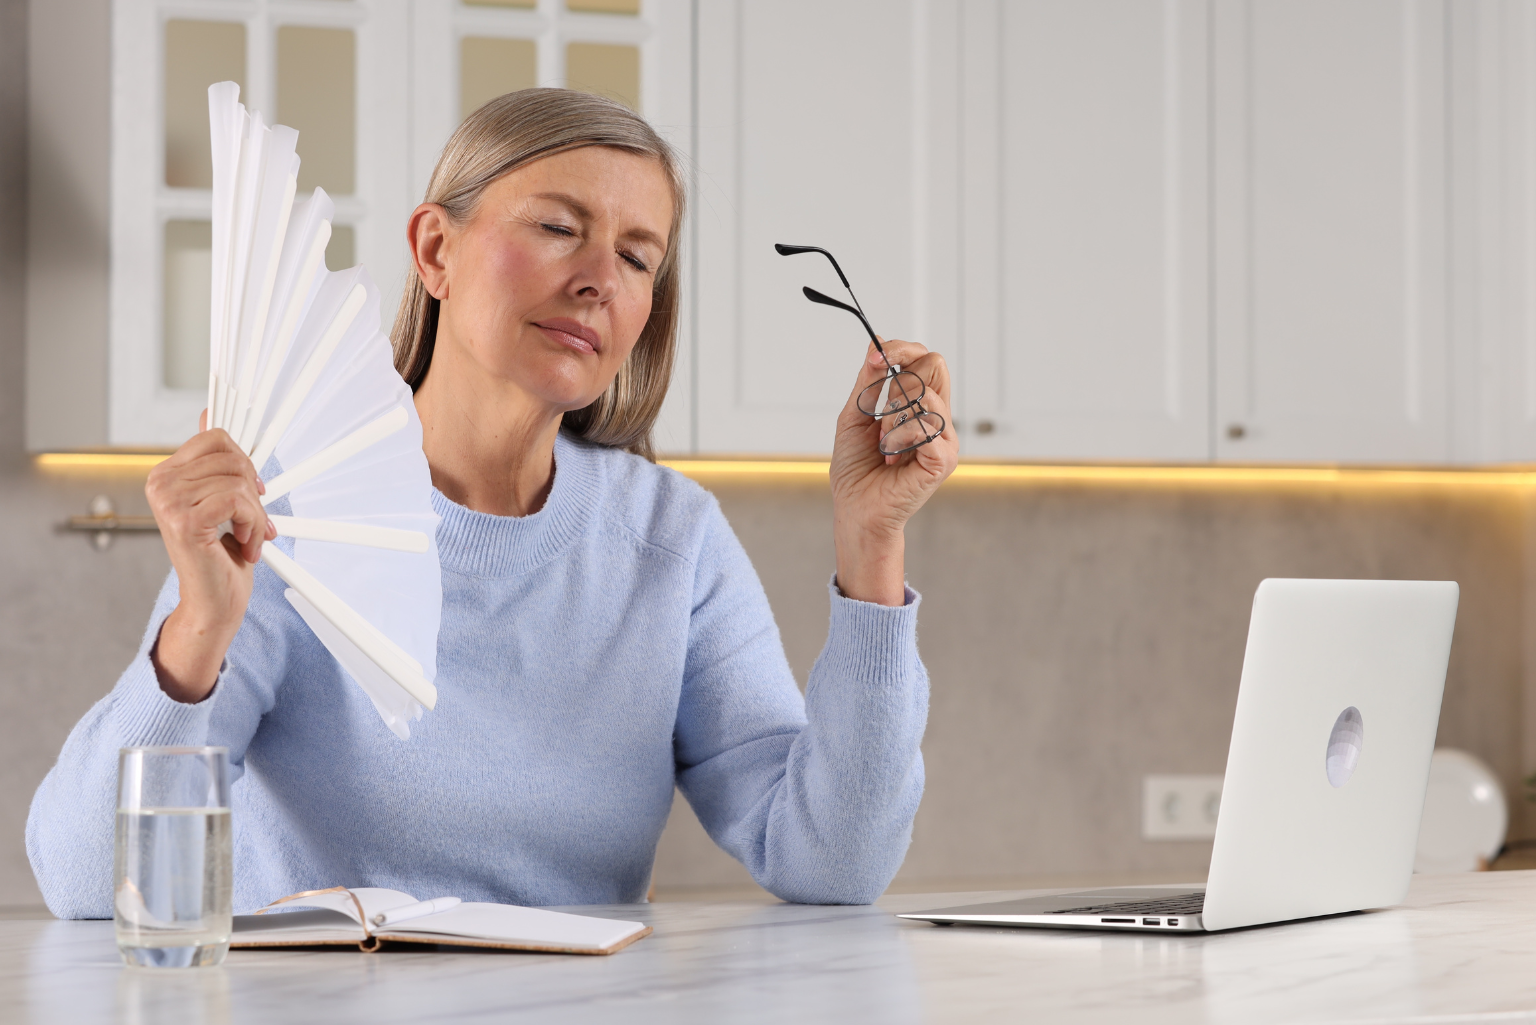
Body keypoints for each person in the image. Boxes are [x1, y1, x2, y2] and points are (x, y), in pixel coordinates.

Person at [26, 89, 958, 917]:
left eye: (639, 257)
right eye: (559, 227)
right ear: (436, 249)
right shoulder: (286, 517)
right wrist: (198, 629)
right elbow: (86, 883)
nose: (600, 276)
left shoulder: (673, 540)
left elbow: (832, 862)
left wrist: (871, 542)